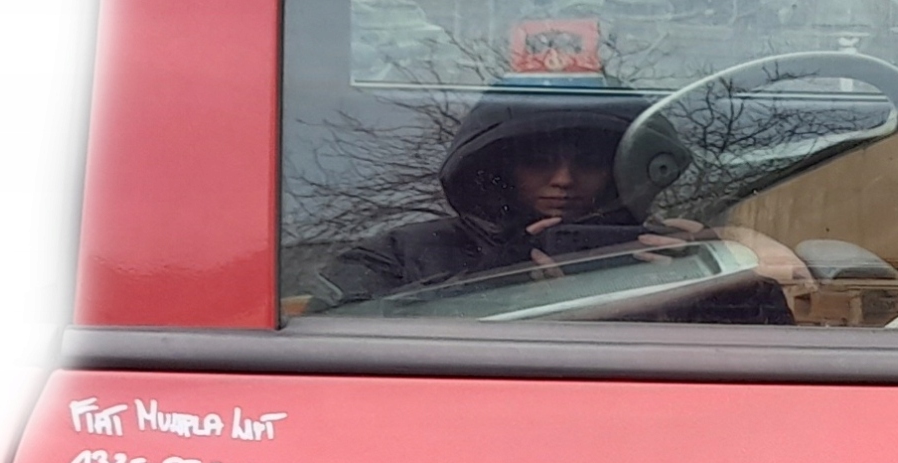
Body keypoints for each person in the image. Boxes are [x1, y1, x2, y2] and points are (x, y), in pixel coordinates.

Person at [312, 84, 805, 319]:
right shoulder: (401, 255)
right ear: (499, 168)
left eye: (588, 161)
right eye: (538, 161)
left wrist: (711, 285)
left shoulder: (673, 256)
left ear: (622, 168)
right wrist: (496, 283)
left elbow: (769, 366)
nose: (564, 179)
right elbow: (329, 335)